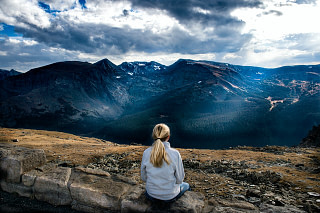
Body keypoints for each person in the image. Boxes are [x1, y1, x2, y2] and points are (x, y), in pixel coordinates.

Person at [141, 123, 190, 202]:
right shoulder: (175, 154)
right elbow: (180, 179)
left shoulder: (146, 153)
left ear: (154, 136)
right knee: (186, 185)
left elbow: (143, 178)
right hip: (170, 196)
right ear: (168, 137)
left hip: (151, 194)